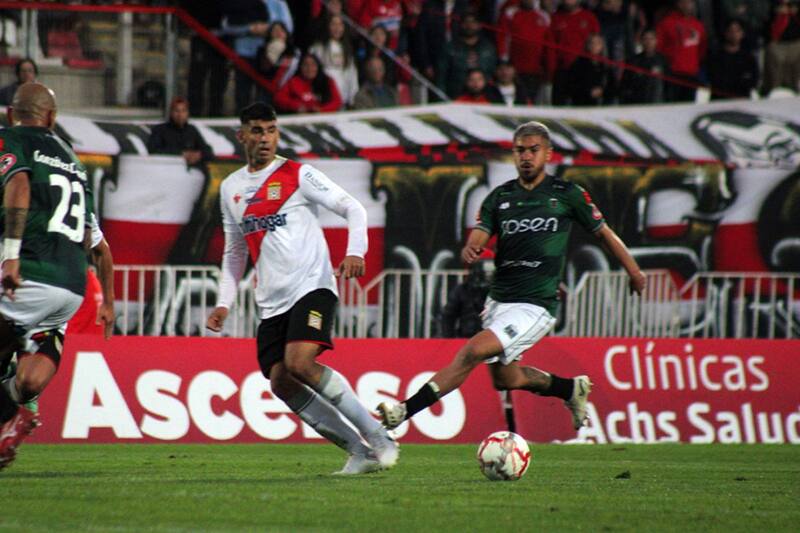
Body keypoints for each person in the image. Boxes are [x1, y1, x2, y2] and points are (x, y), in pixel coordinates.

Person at [377, 121, 646, 434]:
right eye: (520, 150)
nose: (526, 157)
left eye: (534, 150)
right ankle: (570, 389)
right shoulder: (500, 197)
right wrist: (473, 247)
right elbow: (480, 233)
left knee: (472, 351)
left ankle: (402, 411)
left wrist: (634, 270)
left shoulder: (567, 194)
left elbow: (604, 233)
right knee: (507, 379)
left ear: (548, 153)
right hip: (499, 300)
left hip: (536, 304)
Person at [206, 102, 398, 475]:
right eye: (257, 130)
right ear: (241, 135)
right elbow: (235, 249)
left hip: (313, 286)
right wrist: (224, 303)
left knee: (300, 362)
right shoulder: (231, 188)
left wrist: (355, 251)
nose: (265, 138)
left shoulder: (297, 174)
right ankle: (357, 451)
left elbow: (354, 209)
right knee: (281, 381)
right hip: (271, 301)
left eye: (271, 130)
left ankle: (379, 436)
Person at [0, 82, 114, 469]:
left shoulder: (11, 140)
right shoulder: (73, 162)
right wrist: (109, 304)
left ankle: (13, 415)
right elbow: (94, 240)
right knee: (26, 381)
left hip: (27, 274)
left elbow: (17, 184)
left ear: (11, 114)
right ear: (52, 118)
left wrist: (11, 256)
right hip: (70, 288)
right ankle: (21, 403)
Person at [656, 0, 707, 102]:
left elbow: (702, 49)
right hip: (673, 74)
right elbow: (659, 48)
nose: (687, 5)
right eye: (683, 2)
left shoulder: (698, 25)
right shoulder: (666, 23)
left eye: (690, 2)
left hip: (692, 74)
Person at [146, 97, 214, 167]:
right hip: (167, 169)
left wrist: (199, 155)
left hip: (190, 171)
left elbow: (207, 151)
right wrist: (181, 154)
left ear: (188, 113)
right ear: (171, 113)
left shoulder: (191, 130)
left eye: (183, 111)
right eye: (177, 111)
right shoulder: (160, 130)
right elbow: (153, 150)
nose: (180, 115)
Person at [440, 254, 493, 338]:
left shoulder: (501, 291)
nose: (488, 275)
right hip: (467, 336)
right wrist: (448, 339)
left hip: (493, 337)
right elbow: (448, 315)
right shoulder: (463, 289)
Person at [274, 53, 343, 113]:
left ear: (318, 67)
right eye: (305, 65)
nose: (309, 68)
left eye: (313, 64)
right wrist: (296, 106)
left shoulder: (328, 81)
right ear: (300, 67)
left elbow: (337, 101)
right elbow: (279, 99)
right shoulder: (293, 82)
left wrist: (321, 110)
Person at [708, 19, 759, 99]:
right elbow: (713, 79)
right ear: (726, 33)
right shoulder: (716, 57)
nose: (734, 34)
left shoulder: (748, 57)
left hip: (742, 100)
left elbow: (754, 79)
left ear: (742, 34)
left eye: (737, 31)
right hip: (719, 100)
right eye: (731, 31)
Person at [566, 33, 616, 105]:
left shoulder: (606, 66)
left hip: (603, 105)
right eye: (592, 43)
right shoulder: (578, 65)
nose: (594, 46)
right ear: (587, 45)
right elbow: (572, 86)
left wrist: (602, 92)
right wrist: (588, 92)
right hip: (583, 104)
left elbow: (613, 87)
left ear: (602, 46)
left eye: (598, 43)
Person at [619, 28, 667, 104]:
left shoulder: (662, 61)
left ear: (656, 41)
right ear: (641, 41)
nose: (649, 42)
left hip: (658, 105)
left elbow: (668, 85)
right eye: (645, 39)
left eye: (651, 39)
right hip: (637, 105)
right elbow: (624, 84)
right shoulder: (633, 61)